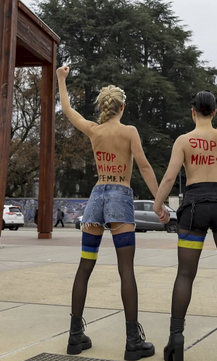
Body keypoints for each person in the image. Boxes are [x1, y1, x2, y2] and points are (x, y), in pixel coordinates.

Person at [153, 51, 217, 361]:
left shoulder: (183, 140)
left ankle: (176, 341)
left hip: (194, 206)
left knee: (185, 275)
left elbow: (170, 177)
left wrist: (159, 206)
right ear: (213, 111)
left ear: (193, 111)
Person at [57, 66, 159, 360]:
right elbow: (144, 166)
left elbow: (67, 109)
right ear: (122, 107)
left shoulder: (94, 129)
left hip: (96, 198)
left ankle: (75, 336)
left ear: (103, 107)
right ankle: (132, 341)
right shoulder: (129, 132)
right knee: (125, 269)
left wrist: (61, 79)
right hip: (119, 197)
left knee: (84, 267)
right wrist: (159, 201)